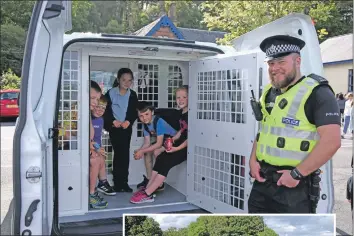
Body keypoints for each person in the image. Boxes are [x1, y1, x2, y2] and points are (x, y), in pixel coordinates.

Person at [248, 35, 341, 213]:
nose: (274, 68)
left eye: (281, 62)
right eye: (271, 63)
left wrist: (297, 174)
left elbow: (332, 141)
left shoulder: (318, 92)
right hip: (262, 182)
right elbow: (264, 131)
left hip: (295, 186)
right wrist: (253, 160)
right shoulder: (268, 92)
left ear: (297, 61)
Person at [130, 85, 189, 204]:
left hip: (185, 148)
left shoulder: (191, 115)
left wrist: (176, 147)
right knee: (161, 159)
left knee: (165, 162)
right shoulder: (182, 114)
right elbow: (181, 132)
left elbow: (190, 138)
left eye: (184, 97)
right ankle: (148, 189)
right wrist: (172, 141)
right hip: (176, 144)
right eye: (178, 97)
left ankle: (148, 194)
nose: (180, 100)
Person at [103, 68, 138, 192]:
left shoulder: (132, 94)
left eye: (129, 80)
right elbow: (104, 110)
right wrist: (113, 121)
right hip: (115, 128)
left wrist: (128, 121)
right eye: (124, 80)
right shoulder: (110, 93)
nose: (126, 83)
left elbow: (134, 111)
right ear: (118, 80)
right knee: (118, 155)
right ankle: (117, 184)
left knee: (125, 155)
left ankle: (124, 183)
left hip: (126, 128)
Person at [133, 101, 177, 191]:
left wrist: (142, 150)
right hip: (163, 141)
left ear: (152, 112)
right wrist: (139, 151)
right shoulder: (145, 125)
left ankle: (159, 183)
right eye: (141, 116)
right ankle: (149, 179)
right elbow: (147, 142)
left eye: (146, 114)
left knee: (157, 151)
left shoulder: (158, 121)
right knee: (147, 152)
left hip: (173, 140)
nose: (144, 118)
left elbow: (159, 144)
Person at [91, 95, 116, 196]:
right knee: (97, 158)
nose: (100, 110)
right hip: (88, 148)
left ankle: (102, 182)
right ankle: (97, 186)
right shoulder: (88, 119)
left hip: (95, 147)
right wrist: (96, 149)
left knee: (102, 157)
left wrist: (100, 149)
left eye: (103, 108)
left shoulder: (100, 120)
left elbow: (97, 138)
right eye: (98, 106)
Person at [89, 81, 109, 209]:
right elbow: (71, 135)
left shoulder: (97, 118)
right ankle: (91, 194)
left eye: (97, 99)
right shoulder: (78, 112)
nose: (96, 102)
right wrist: (94, 147)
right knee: (96, 160)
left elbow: (91, 138)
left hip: (90, 148)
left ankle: (102, 183)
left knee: (101, 158)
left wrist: (95, 147)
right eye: (93, 98)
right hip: (74, 150)